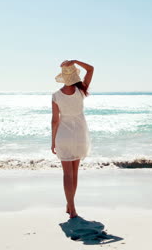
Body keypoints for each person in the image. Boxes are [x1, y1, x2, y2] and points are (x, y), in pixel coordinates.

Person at [51, 59, 93, 218]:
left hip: (64, 135)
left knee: (67, 174)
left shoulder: (56, 96)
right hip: (80, 135)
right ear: (75, 74)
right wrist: (75, 61)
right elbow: (91, 69)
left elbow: (55, 121)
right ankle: (70, 206)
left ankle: (72, 208)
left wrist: (53, 141)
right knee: (75, 173)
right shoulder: (81, 91)